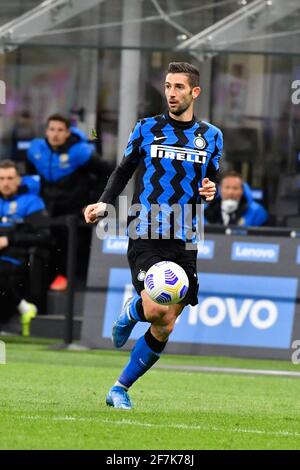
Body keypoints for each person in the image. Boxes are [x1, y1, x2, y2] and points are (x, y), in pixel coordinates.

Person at [84, 62, 223, 409]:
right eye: (167, 86)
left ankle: (119, 388)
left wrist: (210, 190)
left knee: (166, 324)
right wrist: (104, 204)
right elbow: (123, 171)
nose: (171, 93)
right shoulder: (147, 129)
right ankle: (134, 309)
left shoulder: (212, 136)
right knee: (155, 305)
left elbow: (211, 181)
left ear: (195, 92)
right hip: (147, 230)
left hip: (187, 236)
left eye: (179, 87)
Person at [27, 113, 111, 290]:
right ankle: (52, 282)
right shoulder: (36, 150)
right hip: (48, 208)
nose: (55, 134)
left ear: (67, 133)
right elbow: (30, 174)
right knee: (48, 244)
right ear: (46, 131)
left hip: (75, 209)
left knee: (74, 246)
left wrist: (94, 202)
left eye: (60, 130)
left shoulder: (80, 152)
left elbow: (106, 172)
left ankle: (76, 285)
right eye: (51, 129)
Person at [0, 160, 50, 336]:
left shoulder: (32, 202)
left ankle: (24, 307)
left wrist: (9, 240)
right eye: (1, 178)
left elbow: (44, 236)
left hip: (17, 257)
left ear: (18, 180)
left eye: (9, 178)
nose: (5, 183)